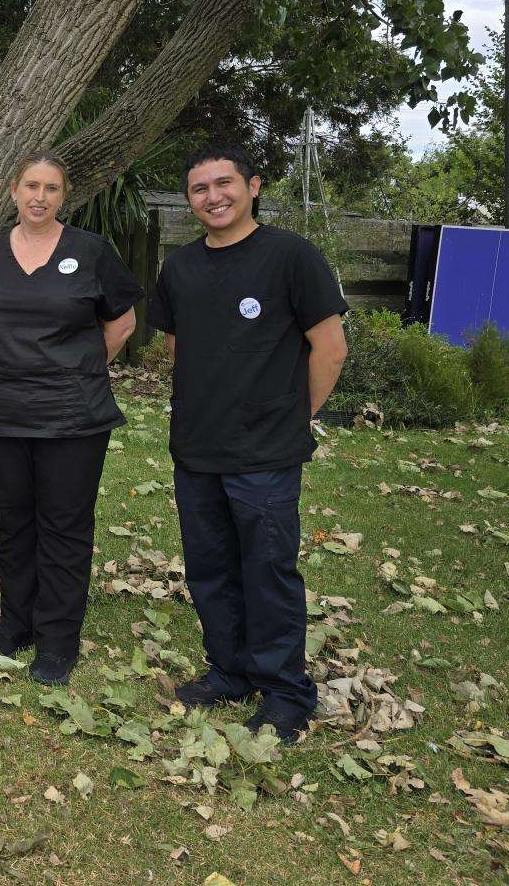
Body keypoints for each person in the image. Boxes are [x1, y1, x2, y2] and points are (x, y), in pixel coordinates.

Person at [151, 143, 347, 742]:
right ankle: (230, 670)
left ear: (253, 185)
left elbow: (330, 347)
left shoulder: (291, 257)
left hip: (265, 453)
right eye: (200, 189)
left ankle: (287, 690)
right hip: (197, 449)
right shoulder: (180, 268)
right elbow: (176, 346)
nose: (213, 197)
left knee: (267, 570)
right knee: (210, 570)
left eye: (224, 183)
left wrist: (295, 416)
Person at [0, 152, 142, 685]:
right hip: (1, 411)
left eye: (52, 188)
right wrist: (13, 360)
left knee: (64, 526)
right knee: (13, 524)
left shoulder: (91, 251)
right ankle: (15, 623)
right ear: (13, 190)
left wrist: (75, 369)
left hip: (73, 416)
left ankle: (58, 639)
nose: (40, 197)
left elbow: (123, 323)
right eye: (31, 186)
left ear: (65, 196)